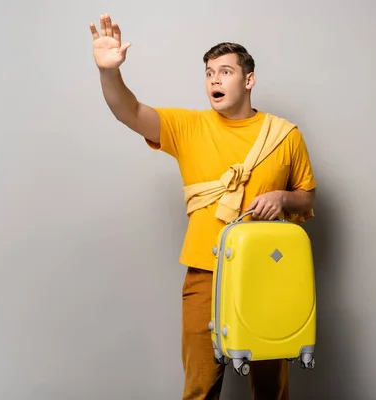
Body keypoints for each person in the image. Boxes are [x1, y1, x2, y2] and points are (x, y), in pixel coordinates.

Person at [89, 13, 317, 400]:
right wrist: (109, 73)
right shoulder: (188, 127)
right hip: (206, 273)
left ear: (249, 80)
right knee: (199, 387)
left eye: (225, 71)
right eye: (209, 72)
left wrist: (282, 197)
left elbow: (307, 198)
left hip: (267, 275)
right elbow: (128, 111)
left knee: (271, 389)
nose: (214, 79)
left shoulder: (285, 134)